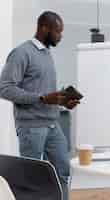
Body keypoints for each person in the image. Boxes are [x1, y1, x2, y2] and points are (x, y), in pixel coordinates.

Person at [0, 11, 79, 200]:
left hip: (53, 125)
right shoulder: (21, 53)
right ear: (44, 28)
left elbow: (44, 93)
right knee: (32, 180)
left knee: (63, 172)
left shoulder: (46, 54)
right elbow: (4, 88)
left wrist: (63, 101)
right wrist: (42, 98)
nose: (61, 36)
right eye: (58, 31)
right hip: (31, 128)